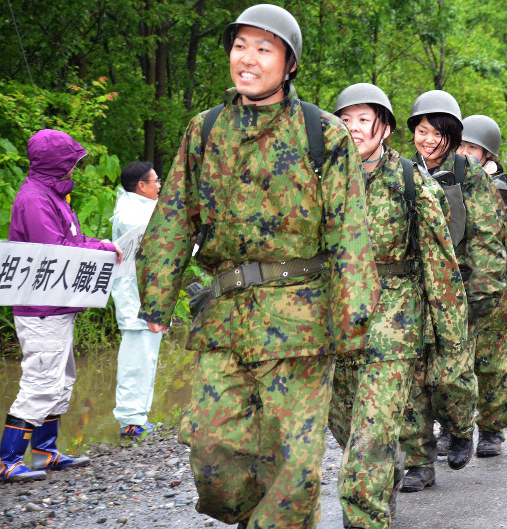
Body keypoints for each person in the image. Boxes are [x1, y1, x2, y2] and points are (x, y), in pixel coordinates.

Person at [135, 5, 380, 528]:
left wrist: (354, 319)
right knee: (211, 450)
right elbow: (174, 216)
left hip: (301, 323)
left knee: (293, 466)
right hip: (225, 317)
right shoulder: (205, 130)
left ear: (289, 64)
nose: (247, 58)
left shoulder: (324, 134)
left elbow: (350, 233)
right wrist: (156, 299)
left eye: (263, 49)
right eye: (240, 46)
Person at [328, 83, 467, 528]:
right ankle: (382, 477)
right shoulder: (324, 179)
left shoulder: (409, 181)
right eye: (345, 120)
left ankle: (364, 515)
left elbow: (440, 264)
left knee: (373, 425)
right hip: (340, 320)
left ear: (385, 128)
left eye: (363, 120)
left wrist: (450, 341)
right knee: (345, 424)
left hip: (395, 321)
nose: (353, 128)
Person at [399, 90, 507, 493]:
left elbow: (486, 236)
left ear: (453, 135)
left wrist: (483, 292)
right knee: (411, 381)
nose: (428, 140)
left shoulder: (469, 174)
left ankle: (460, 428)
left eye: (438, 133)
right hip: (411, 289)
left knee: (450, 376)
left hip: (456, 289)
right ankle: (419, 462)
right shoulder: (403, 171)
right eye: (422, 131)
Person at [1, 129, 122, 483]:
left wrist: (99, 243)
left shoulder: (52, 196)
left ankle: (44, 452)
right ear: (56, 163)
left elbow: (72, 239)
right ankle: (7, 459)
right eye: (71, 162)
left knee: (60, 379)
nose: (75, 168)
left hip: (56, 305)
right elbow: (56, 252)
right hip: (40, 308)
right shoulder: (35, 199)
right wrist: (103, 249)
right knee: (41, 381)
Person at [453, 114, 507, 457]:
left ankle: (491, 428)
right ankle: (454, 427)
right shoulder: (444, 183)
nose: (463, 153)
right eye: (459, 146)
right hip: (452, 286)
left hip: (496, 290)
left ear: (487, 153)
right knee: (451, 363)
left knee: (490, 362)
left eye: (471, 148)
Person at [111, 161, 163, 437]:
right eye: (156, 181)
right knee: (136, 359)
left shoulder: (145, 207)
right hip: (137, 297)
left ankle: (139, 417)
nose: (159, 186)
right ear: (141, 185)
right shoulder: (130, 212)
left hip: (151, 296)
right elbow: (153, 247)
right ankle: (130, 420)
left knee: (147, 358)